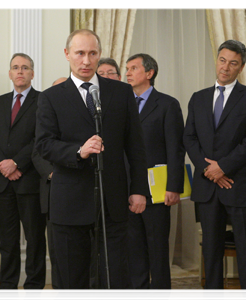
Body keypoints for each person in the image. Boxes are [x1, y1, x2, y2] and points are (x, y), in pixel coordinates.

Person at [35, 29, 150, 300]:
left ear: (99, 55)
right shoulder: (51, 97)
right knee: (73, 281)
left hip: (113, 200)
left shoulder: (121, 92)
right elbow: (43, 144)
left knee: (115, 278)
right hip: (69, 201)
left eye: (92, 53)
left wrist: (139, 189)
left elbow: (135, 146)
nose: (86, 60)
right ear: (67, 55)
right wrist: (79, 150)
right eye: (80, 53)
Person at [183, 40, 246, 300]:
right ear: (216, 60)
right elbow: (190, 138)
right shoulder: (198, 98)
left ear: (241, 67)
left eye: (232, 63)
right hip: (208, 187)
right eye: (222, 60)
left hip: (241, 185)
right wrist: (210, 170)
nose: (225, 67)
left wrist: (223, 167)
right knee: (211, 250)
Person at [0, 53, 46, 300]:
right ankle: (8, 288)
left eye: (25, 68)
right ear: (10, 73)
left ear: (32, 73)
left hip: (29, 181)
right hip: (3, 182)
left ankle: (33, 290)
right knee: (7, 241)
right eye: (15, 68)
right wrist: (4, 166)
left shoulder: (43, 101)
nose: (20, 72)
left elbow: (40, 139)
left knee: (34, 240)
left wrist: (17, 163)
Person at [125, 53, 185, 300]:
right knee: (134, 246)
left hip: (158, 189)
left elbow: (175, 148)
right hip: (128, 187)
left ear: (149, 73)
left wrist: (174, 186)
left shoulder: (167, 104)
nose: (127, 73)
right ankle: (139, 293)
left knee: (157, 245)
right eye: (126, 68)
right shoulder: (123, 103)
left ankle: (159, 294)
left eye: (133, 68)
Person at [31, 77, 67, 300]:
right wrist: (53, 173)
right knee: (56, 247)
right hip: (52, 190)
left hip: (78, 190)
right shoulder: (45, 117)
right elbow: (37, 151)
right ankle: (60, 290)